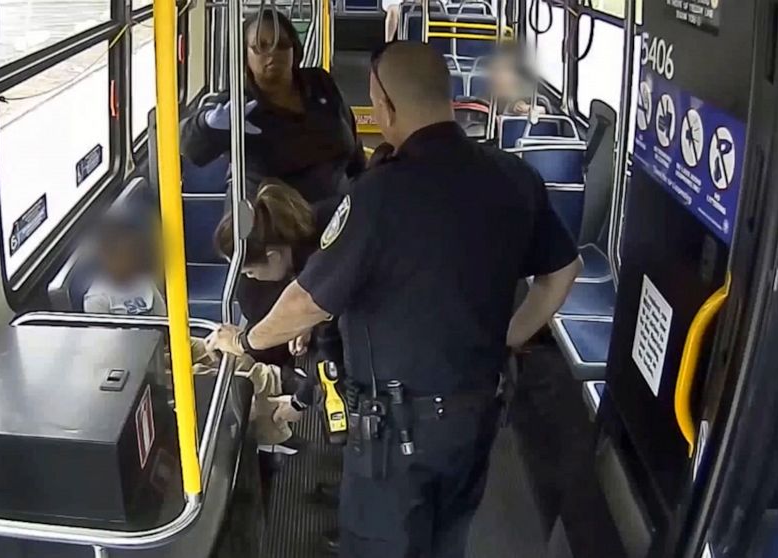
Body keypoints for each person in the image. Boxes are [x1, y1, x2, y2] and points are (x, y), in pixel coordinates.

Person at [206, 41, 582, 557]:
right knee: (447, 538)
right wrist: (510, 335)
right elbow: (563, 270)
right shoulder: (515, 176)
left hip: (396, 430)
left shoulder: (377, 196)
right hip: (480, 410)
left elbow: (307, 303)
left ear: (382, 105)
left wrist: (246, 340)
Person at [82, 208, 295, 452]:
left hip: (164, 343)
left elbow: (164, 319)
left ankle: (275, 409)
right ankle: (274, 416)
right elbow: (110, 356)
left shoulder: (140, 280)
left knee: (233, 357)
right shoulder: (98, 299)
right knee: (211, 377)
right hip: (139, 367)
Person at [181, 8, 365, 205]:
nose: (272, 53)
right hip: (271, 221)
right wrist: (206, 125)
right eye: (260, 46)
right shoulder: (237, 103)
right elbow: (192, 149)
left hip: (336, 210)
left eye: (282, 44)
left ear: (294, 49)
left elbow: (352, 145)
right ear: (245, 55)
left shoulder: (320, 83)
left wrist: (363, 185)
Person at [214, 179, 345, 421]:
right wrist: (305, 321)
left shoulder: (321, 266)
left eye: (250, 273)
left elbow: (335, 350)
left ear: (273, 257)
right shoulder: (318, 223)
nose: (252, 279)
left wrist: (298, 403)